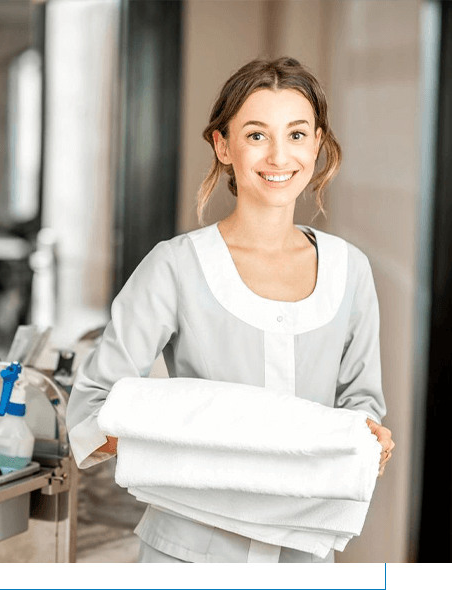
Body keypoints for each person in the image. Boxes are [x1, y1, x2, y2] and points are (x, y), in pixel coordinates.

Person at [66, 56, 395, 563]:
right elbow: (91, 411)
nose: (279, 156)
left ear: (319, 144)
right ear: (223, 146)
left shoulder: (350, 271)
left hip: (305, 552)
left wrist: (367, 439)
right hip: (185, 551)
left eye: (298, 134)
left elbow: (361, 407)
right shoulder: (175, 266)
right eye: (257, 135)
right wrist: (202, 446)